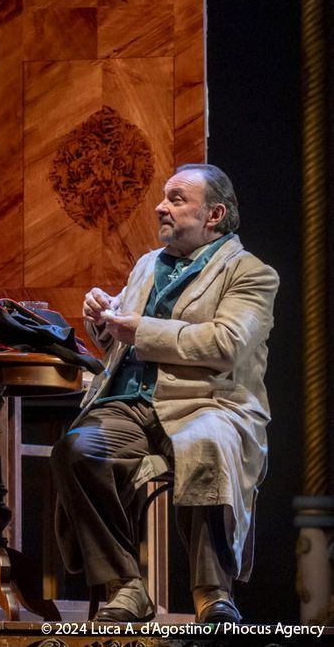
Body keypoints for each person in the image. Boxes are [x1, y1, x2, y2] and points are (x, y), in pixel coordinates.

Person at [51, 163, 278, 624]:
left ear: (213, 214)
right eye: (164, 197)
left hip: (207, 401)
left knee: (208, 444)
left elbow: (226, 343)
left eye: (176, 199)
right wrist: (104, 318)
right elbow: (122, 339)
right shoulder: (148, 265)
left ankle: (212, 593)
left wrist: (140, 329)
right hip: (129, 406)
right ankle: (124, 586)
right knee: (78, 449)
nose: (161, 207)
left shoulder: (251, 273)